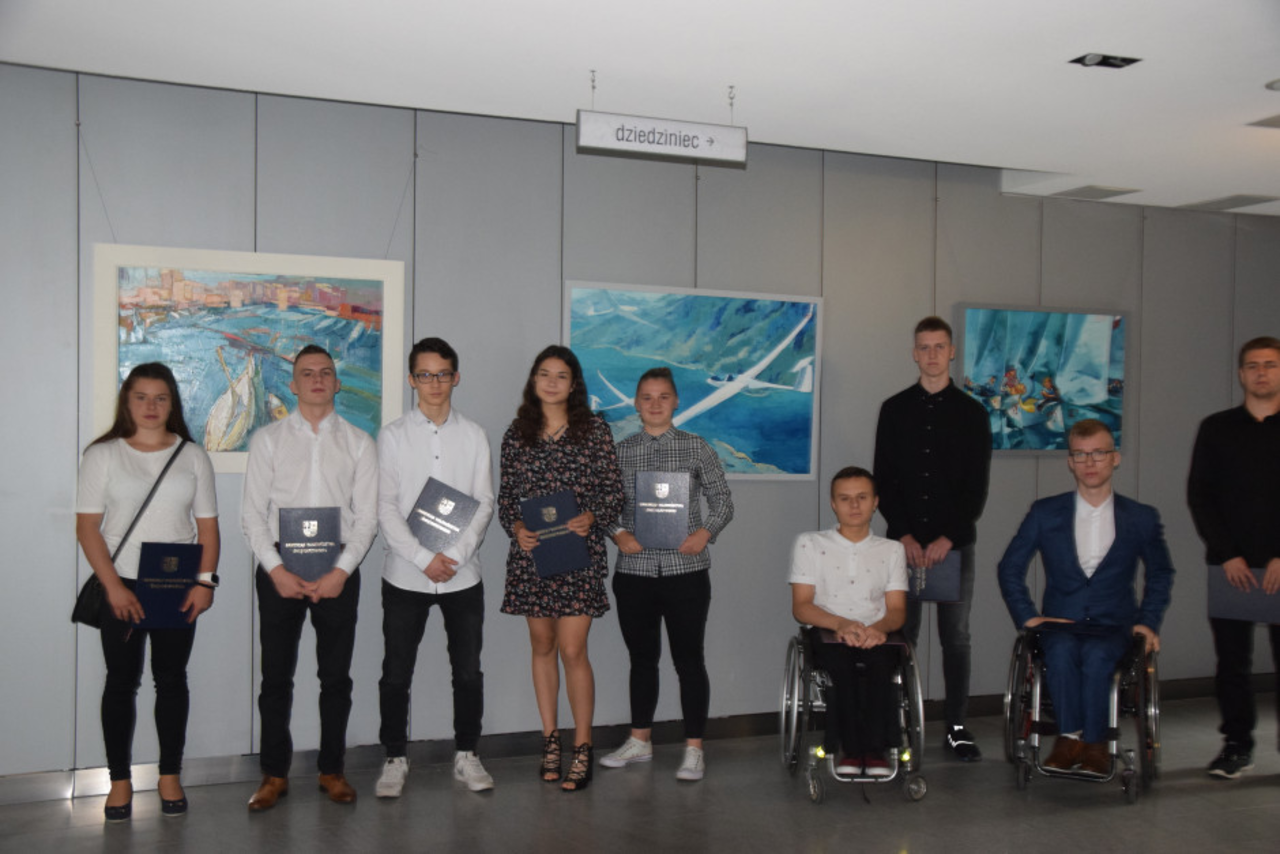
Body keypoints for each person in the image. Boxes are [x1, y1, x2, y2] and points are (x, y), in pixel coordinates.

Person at [75, 362, 220, 821]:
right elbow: (87, 528)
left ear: (172, 403)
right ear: (127, 401)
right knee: (121, 683)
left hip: (177, 585)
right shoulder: (102, 455)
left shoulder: (192, 456)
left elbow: (208, 529)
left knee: (172, 681)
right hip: (121, 584)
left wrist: (205, 583)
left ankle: (169, 775)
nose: (151, 406)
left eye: (161, 398)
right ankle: (119, 780)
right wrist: (113, 588)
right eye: (141, 397)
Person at [240, 345, 378, 810]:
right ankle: (273, 774)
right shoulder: (267, 440)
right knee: (275, 679)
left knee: (335, 678)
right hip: (279, 569)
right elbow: (252, 515)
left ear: (337, 383)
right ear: (293, 384)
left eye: (325, 372)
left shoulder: (360, 443)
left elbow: (367, 518)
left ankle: (332, 770)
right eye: (307, 373)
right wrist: (275, 570)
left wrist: (342, 572)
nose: (317, 379)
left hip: (339, 569)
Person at [997, 419, 1174, 776]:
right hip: (1060, 622)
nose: (1090, 462)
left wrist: (1148, 622)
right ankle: (1069, 737)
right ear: (1070, 462)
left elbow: (1160, 573)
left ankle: (1095, 745)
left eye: (1098, 453)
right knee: (1060, 652)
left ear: (1115, 458)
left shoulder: (1140, 517)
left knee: (1097, 656)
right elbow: (1009, 568)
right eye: (1080, 454)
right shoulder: (1045, 512)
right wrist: (1028, 617)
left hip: (1114, 624)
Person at [498, 345, 623, 792]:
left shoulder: (595, 430)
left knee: (573, 649)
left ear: (574, 385)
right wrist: (516, 527)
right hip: (533, 556)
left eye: (561, 376)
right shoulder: (517, 434)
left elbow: (613, 493)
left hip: (578, 555)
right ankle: (550, 740)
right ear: (534, 380)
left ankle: (583, 745)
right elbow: (506, 500)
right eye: (544, 374)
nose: (552, 382)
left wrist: (593, 516)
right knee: (543, 644)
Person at [374, 337, 495, 797]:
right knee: (395, 673)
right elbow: (385, 506)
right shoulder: (392, 436)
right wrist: (424, 558)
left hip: (463, 575)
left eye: (443, 373)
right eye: (425, 375)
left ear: (455, 377)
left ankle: (467, 754)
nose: (435, 383)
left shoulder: (474, 435)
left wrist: (455, 556)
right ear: (412, 380)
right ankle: (394, 757)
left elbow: (484, 501)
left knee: (467, 672)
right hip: (406, 574)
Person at [600, 367, 734, 782]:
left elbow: (723, 501)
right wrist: (618, 533)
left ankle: (694, 748)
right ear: (636, 403)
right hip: (635, 572)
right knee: (641, 660)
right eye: (647, 397)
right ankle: (640, 740)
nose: (655, 404)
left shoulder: (697, 448)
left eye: (663, 397)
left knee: (689, 661)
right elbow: (602, 504)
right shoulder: (620, 451)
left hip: (685, 572)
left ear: (676, 401)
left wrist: (705, 533)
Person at [873, 315, 991, 761]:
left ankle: (957, 727)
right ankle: (899, 724)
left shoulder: (973, 414)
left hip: (952, 547)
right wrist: (903, 534)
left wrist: (947, 538)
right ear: (914, 353)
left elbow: (976, 488)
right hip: (901, 546)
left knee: (956, 638)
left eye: (940, 347)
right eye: (924, 347)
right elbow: (884, 479)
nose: (932, 355)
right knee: (901, 635)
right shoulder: (894, 409)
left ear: (952, 352)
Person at [1188, 336, 1280, 779]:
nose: (1262, 372)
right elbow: (1200, 496)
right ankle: (1237, 746)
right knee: (1232, 665)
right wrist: (1227, 555)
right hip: (1231, 568)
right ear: (1241, 374)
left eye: (1271, 364)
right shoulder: (1216, 428)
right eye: (1253, 366)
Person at [789, 467, 907, 776]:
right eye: (845, 499)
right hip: (828, 629)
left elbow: (896, 610)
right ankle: (851, 751)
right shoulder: (810, 543)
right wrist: (841, 625)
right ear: (833, 504)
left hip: (876, 630)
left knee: (882, 665)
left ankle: (876, 751)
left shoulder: (892, 550)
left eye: (862, 497)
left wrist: (877, 630)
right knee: (840, 666)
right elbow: (802, 607)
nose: (854, 505)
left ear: (875, 502)